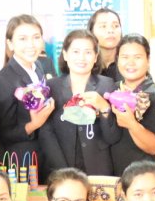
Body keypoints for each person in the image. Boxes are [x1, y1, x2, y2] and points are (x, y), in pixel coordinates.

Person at [0, 15, 64, 180]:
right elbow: (3, 133)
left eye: (36, 37)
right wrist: (33, 125)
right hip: (22, 160)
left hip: (45, 153)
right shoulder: (3, 81)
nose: (31, 44)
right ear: (10, 44)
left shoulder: (39, 66)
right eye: (22, 39)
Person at [46, 29, 120, 176]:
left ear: (95, 57)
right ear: (65, 55)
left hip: (98, 167)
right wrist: (61, 169)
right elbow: (46, 134)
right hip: (59, 166)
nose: (82, 58)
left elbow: (113, 137)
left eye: (88, 52)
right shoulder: (51, 87)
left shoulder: (107, 85)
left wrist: (104, 108)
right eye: (76, 52)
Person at [109, 34, 155, 175]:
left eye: (137, 57)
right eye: (125, 57)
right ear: (117, 60)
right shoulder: (111, 90)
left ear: (148, 61)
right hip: (112, 175)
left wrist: (132, 124)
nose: (130, 63)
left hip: (143, 174)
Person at [87, 7, 122, 80]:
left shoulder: (129, 64)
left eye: (116, 26)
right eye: (103, 26)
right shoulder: (84, 65)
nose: (110, 31)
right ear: (91, 31)